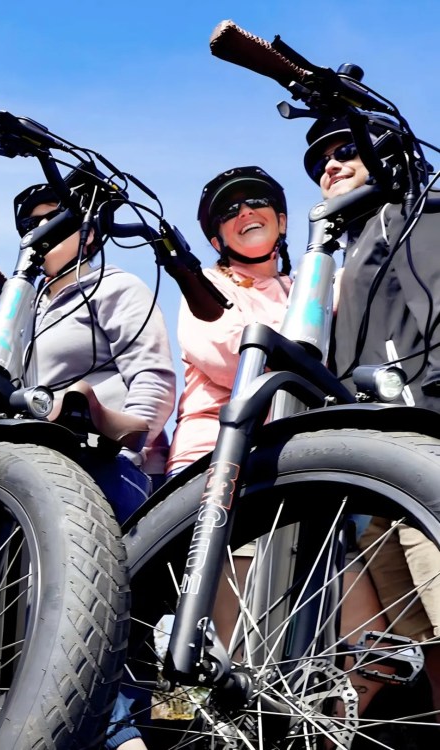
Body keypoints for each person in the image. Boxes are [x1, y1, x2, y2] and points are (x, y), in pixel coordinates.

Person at [305, 114, 440, 719]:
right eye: (319, 163)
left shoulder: (418, 211)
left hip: (423, 442)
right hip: (378, 471)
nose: (329, 166)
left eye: (343, 152)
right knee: (423, 641)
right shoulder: (352, 243)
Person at [16, 181, 176, 522]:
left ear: (87, 233)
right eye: (32, 225)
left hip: (109, 466)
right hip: (43, 467)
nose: (41, 230)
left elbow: (153, 379)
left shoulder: (116, 287)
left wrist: (128, 454)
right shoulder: (23, 309)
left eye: (54, 219)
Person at [167, 166, 292, 474]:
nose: (246, 211)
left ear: (282, 221)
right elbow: (231, 361)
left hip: (297, 453)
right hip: (211, 453)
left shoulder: (313, 289)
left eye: (257, 200)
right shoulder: (206, 286)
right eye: (229, 211)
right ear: (216, 242)